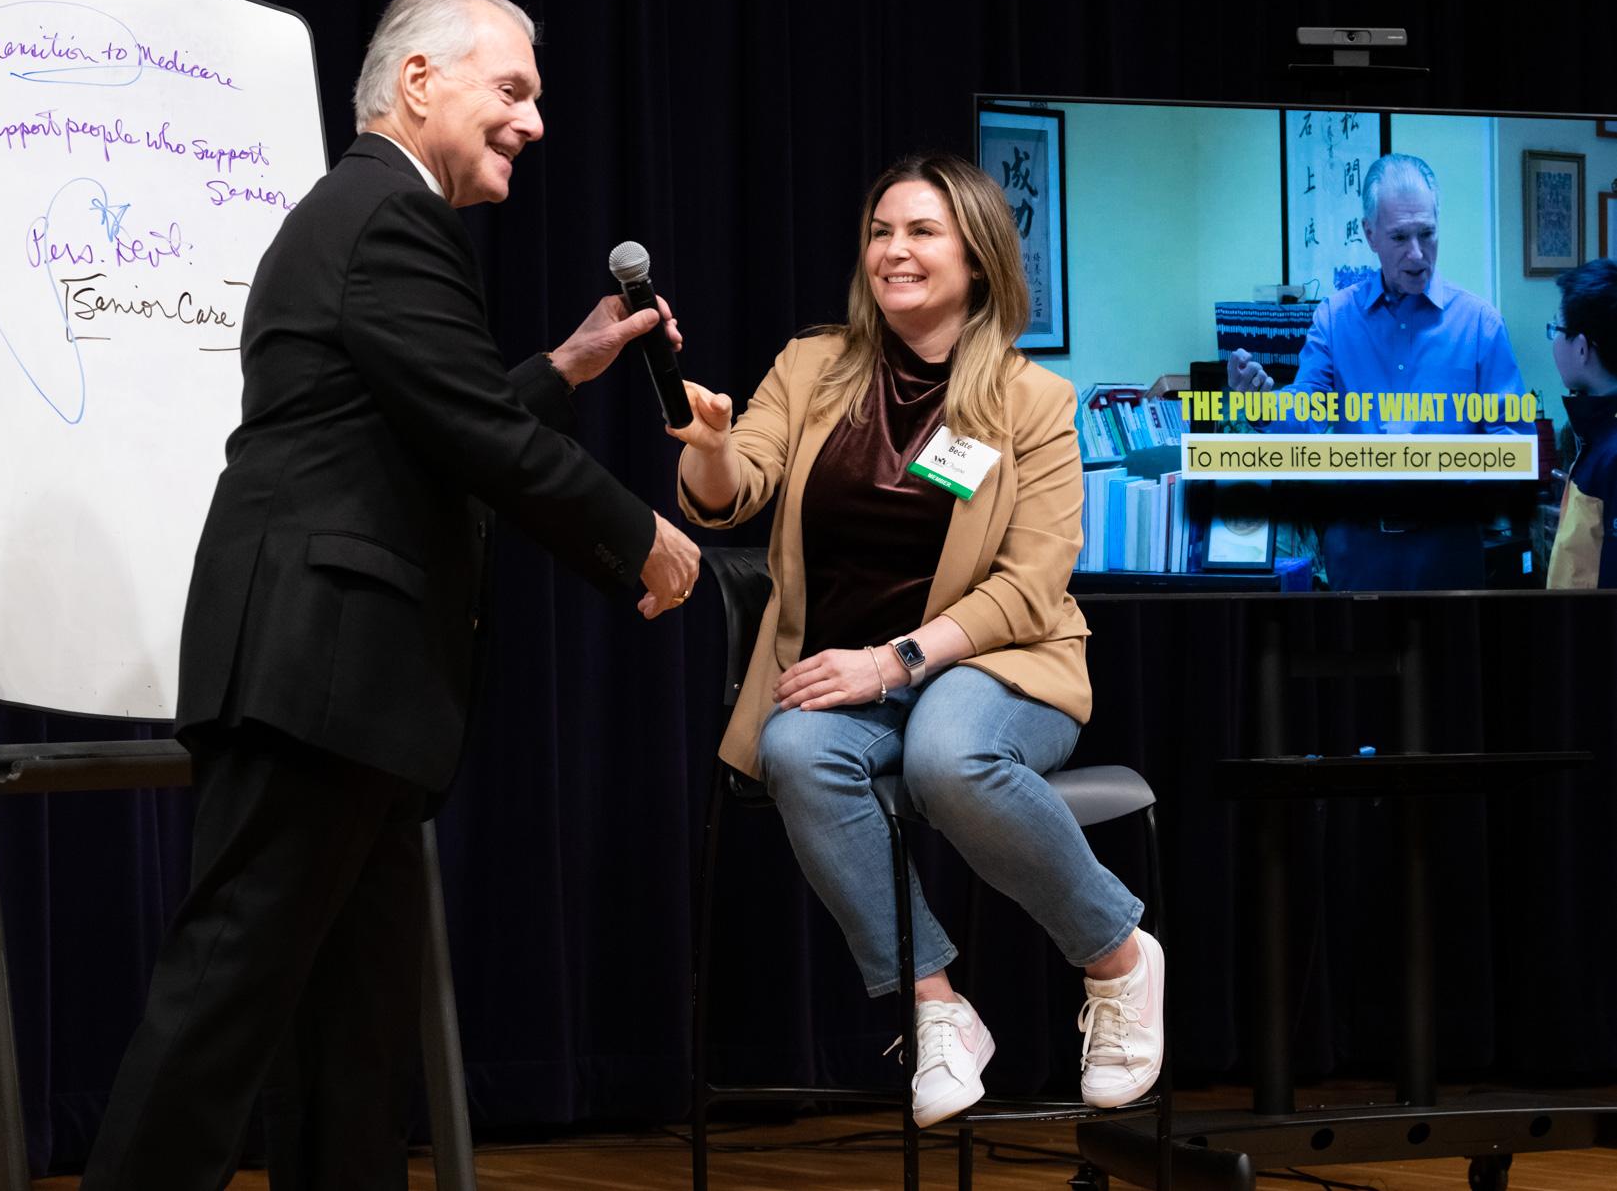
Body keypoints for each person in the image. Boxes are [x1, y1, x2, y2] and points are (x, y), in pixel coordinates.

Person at [81, 0, 699, 1191]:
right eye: (510, 91)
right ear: (419, 82)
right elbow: (472, 435)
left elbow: (416, 427)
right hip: (318, 673)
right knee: (226, 1006)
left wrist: (568, 363)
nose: (532, 123)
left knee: (348, 1040)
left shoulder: (367, 217)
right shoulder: (386, 216)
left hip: (350, 688)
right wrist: (643, 535)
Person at [671, 154, 1162, 1127]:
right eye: (881, 231)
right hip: (845, 674)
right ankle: (936, 1007)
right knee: (792, 746)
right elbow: (740, 489)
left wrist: (897, 658)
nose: (894, 250)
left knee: (948, 751)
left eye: (922, 231)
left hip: (997, 664)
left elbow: (1031, 583)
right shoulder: (813, 366)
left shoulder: (1032, 402)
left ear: (976, 257)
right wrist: (716, 448)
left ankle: (1117, 956)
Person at [1225, 153, 1531, 588]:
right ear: (1369, 234)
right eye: (1400, 237)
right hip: (1357, 552)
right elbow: (1309, 406)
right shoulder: (1335, 317)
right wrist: (1260, 404)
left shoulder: (1480, 324)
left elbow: (1514, 445)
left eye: (1427, 233)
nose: (1417, 253)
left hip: (1448, 551)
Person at [1546, 258, 1617, 588]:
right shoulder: (1597, 435)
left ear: (1583, 348)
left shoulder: (1611, 455)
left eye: (1556, 330)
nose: (1554, 341)